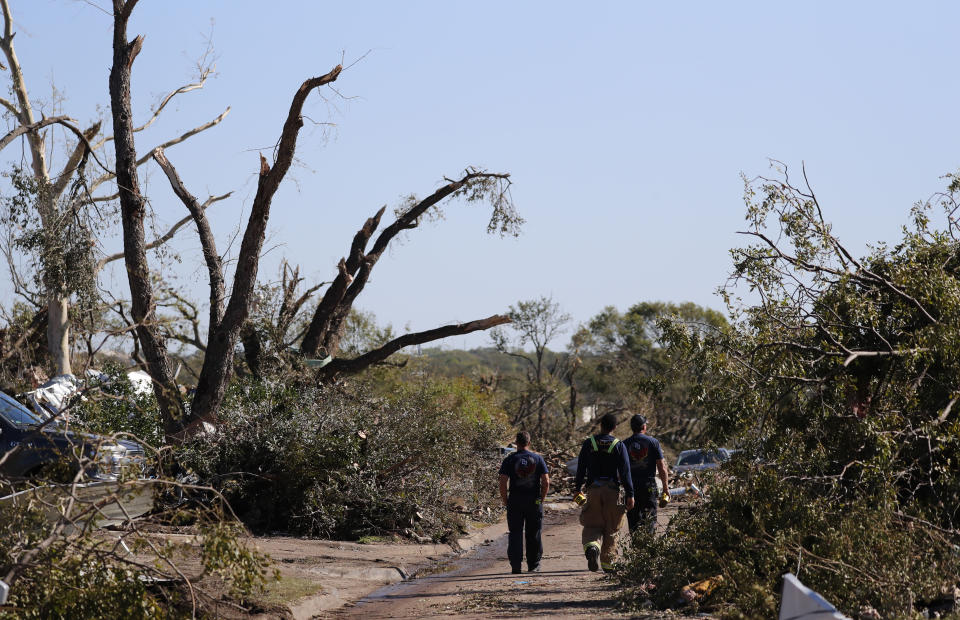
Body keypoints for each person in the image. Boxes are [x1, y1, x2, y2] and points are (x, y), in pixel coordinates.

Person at [573, 413, 634, 572]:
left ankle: (592, 548)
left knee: (592, 525)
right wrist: (630, 494)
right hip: (613, 491)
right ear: (614, 427)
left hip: (593, 490)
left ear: (600, 425)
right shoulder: (619, 445)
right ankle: (608, 565)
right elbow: (626, 472)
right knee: (612, 528)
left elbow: (580, 468)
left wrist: (577, 488)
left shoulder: (589, 443)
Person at [498, 431, 550, 574]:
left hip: (515, 501)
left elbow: (502, 483)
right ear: (529, 443)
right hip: (534, 501)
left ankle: (516, 566)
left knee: (515, 533)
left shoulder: (509, 459)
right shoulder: (538, 459)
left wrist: (506, 501)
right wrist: (541, 499)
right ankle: (533, 565)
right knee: (533, 533)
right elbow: (546, 482)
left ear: (516, 443)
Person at [623, 414, 669, 536]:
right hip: (648, 486)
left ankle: (636, 548)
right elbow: (662, 467)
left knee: (633, 519)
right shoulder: (653, 442)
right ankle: (648, 547)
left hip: (631, 487)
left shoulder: (624, 444)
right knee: (650, 519)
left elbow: (620, 469)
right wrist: (666, 488)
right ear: (644, 426)